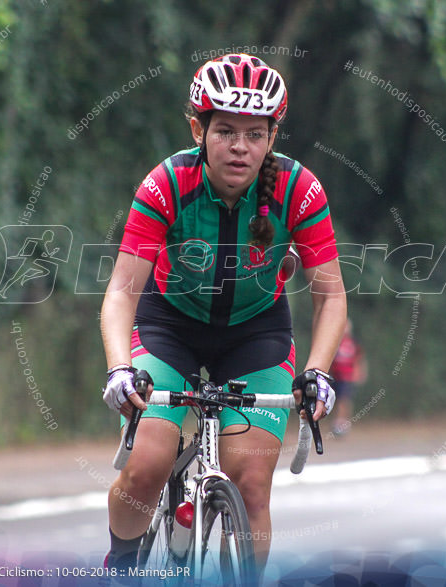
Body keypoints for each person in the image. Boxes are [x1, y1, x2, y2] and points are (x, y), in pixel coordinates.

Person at [99, 53, 347, 575]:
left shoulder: (299, 191)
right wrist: (120, 368)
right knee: (145, 467)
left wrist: (319, 372)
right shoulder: (166, 183)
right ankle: (120, 564)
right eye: (226, 130)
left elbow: (330, 297)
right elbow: (122, 293)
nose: (240, 146)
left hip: (256, 334)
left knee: (251, 481)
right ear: (198, 127)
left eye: (256, 133)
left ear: (272, 138)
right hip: (170, 326)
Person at [329, 319, 367, 436]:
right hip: (335, 376)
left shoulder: (353, 342)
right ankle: (337, 421)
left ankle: (342, 423)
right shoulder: (335, 342)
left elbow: (359, 359)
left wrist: (360, 373)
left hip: (347, 377)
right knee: (334, 399)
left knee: (344, 399)